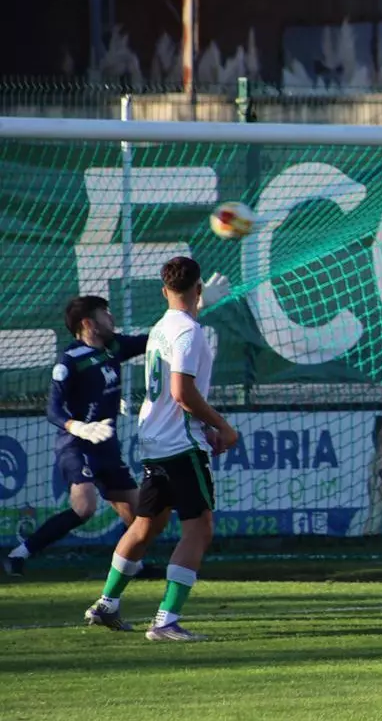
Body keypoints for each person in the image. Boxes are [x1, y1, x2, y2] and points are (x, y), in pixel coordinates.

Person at [83, 256, 239, 641]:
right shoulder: (189, 332)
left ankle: (107, 603)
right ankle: (165, 621)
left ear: (163, 290)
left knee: (146, 524)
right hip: (179, 444)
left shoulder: (160, 328)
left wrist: (203, 424)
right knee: (199, 528)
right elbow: (181, 392)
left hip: (155, 440)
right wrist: (222, 426)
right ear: (198, 288)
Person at [5, 296, 147, 576]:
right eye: (105, 313)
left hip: (106, 446)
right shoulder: (70, 360)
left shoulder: (114, 347)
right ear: (88, 323)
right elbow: (53, 409)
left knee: (139, 512)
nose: (111, 318)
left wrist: (193, 309)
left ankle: (133, 566)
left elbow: (153, 340)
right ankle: (18, 554)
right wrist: (79, 427)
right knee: (84, 507)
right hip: (76, 446)